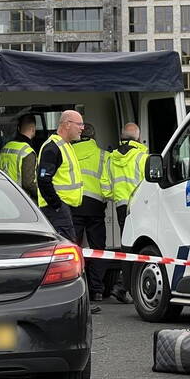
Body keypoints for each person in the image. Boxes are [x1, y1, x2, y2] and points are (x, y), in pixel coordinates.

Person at [108, 123, 149, 304]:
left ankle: (123, 286)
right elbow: (148, 182)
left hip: (121, 205)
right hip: (139, 206)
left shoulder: (111, 157)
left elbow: (105, 183)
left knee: (127, 246)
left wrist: (115, 197)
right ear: (138, 137)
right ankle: (125, 286)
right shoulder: (142, 156)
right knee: (138, 247)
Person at [71, 122, 112, 302]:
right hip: (96, 206)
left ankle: (74, 288)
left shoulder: (68, 152)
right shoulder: (104, 155)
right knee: (98, 250)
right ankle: (97, 290)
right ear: (93, 137)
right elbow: (107, 183)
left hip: (74, 205)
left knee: (72, 248)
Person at [36, 110, 84, 242]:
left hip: (65, 208)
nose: (82, 128)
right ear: (67, 124)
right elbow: (43, 180)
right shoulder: (52, 147)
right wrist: (57, 205)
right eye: (79, 124)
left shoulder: (66, 145)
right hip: (57, 210)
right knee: (66, 249)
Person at [0, 114, 38, 201]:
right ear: (33, 129)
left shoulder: (6, 147)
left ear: (18, 129)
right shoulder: (27, 152)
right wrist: (42, 195)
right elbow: (28, 184)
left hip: (3, 194)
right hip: (20, 199)